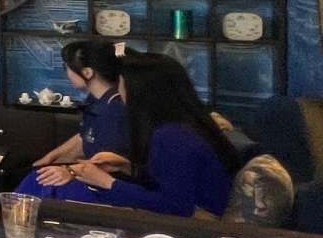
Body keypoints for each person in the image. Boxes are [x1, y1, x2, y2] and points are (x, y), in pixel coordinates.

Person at [17, 51, 240, 217]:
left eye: (122, 87)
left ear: (142, 94)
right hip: (164, 210)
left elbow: (177, 208)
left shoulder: (173, 137)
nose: (120, 94)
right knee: (40, 181)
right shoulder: (180, 127)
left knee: (43, 186)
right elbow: (171, 181)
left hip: (193, 227)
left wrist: (107, 182)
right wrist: (127, 166)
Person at [27, 39, 131, 187]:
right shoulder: (95, 99)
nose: (67, 73)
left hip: (105, 183)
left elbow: (108, 163)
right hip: (88, 172)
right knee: (33, 174)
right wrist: (49, 158)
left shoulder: (114, 109)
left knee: (35, 183)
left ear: (87, 72)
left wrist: (69, 170)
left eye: (67, 67)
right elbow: (84, 136)